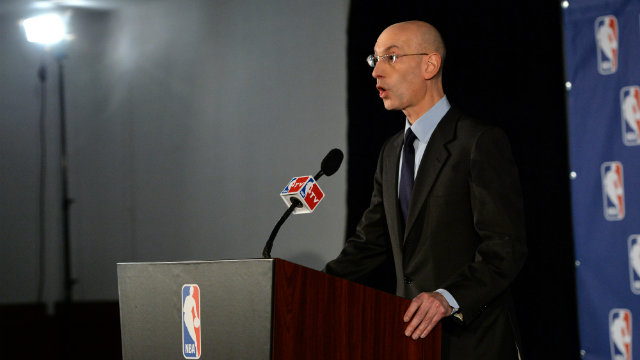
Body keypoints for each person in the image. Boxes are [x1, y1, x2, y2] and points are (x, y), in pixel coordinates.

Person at [325, 20, 527, 359]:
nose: (377, 73)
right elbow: (368, 245)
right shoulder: (391, 152)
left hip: (474, 342)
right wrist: (304, 287)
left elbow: (505, 248)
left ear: (429, 64)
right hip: (411, 342)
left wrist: (448, 297)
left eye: (390, 57)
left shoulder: (477, 142)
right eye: (374, 61)